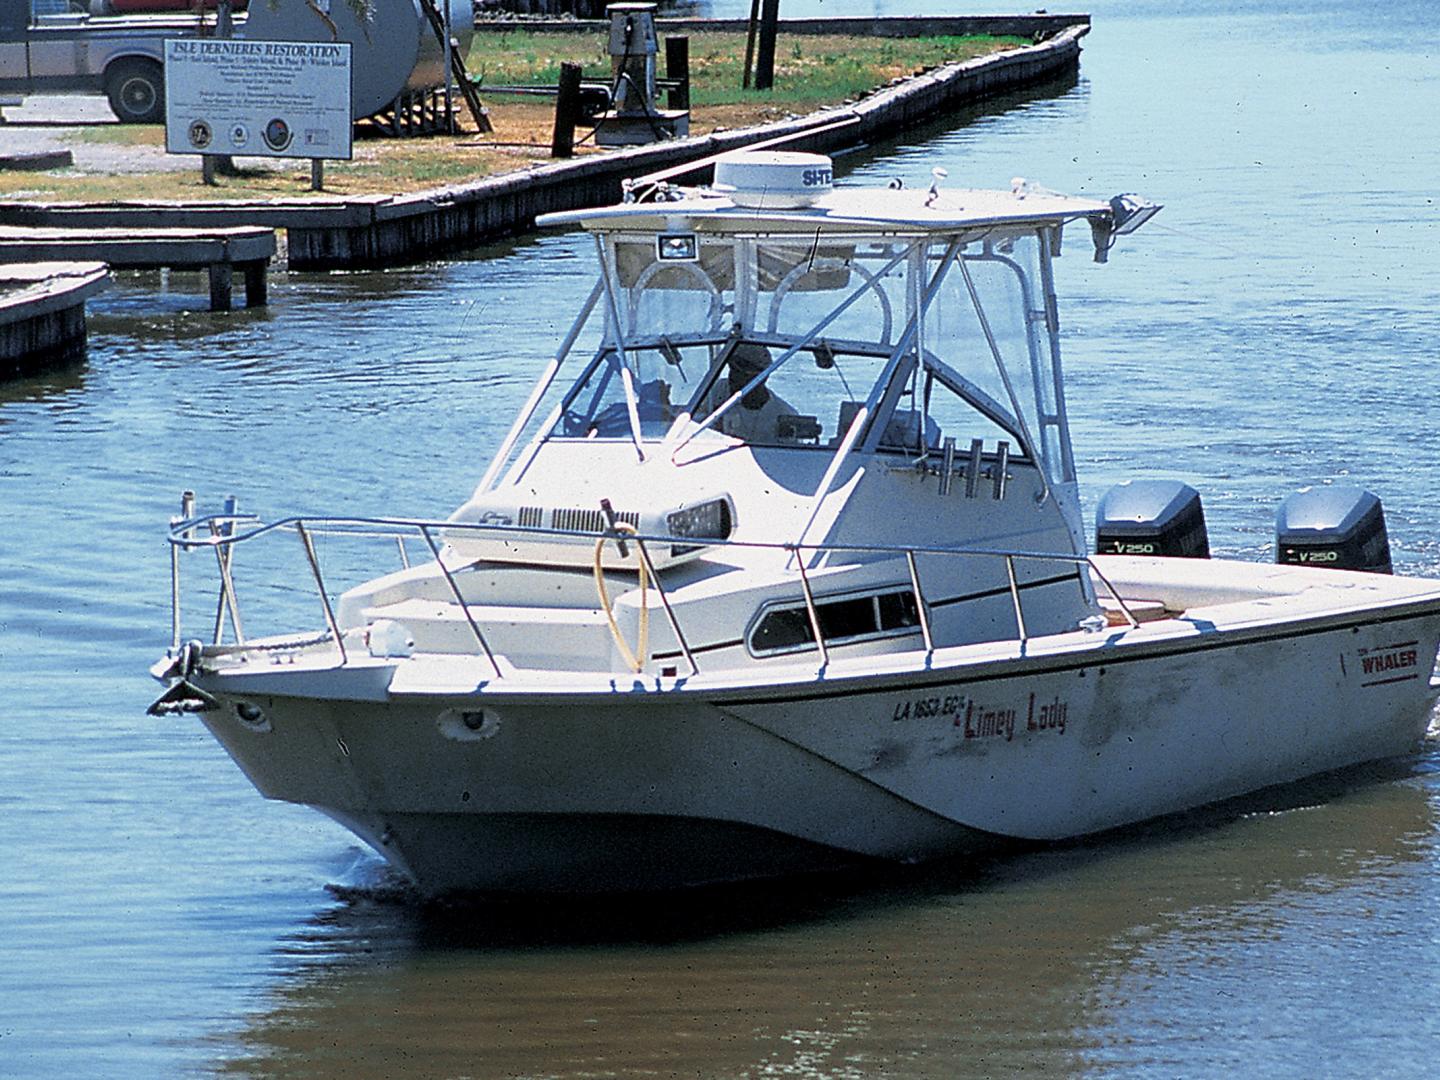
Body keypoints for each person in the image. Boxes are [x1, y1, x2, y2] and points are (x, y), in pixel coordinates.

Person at [720, 342, 797, 443]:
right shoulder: (718, 390)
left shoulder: (784, 415)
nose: (733, 377)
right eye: (733, 369)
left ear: (762, 378)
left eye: (743, 373)